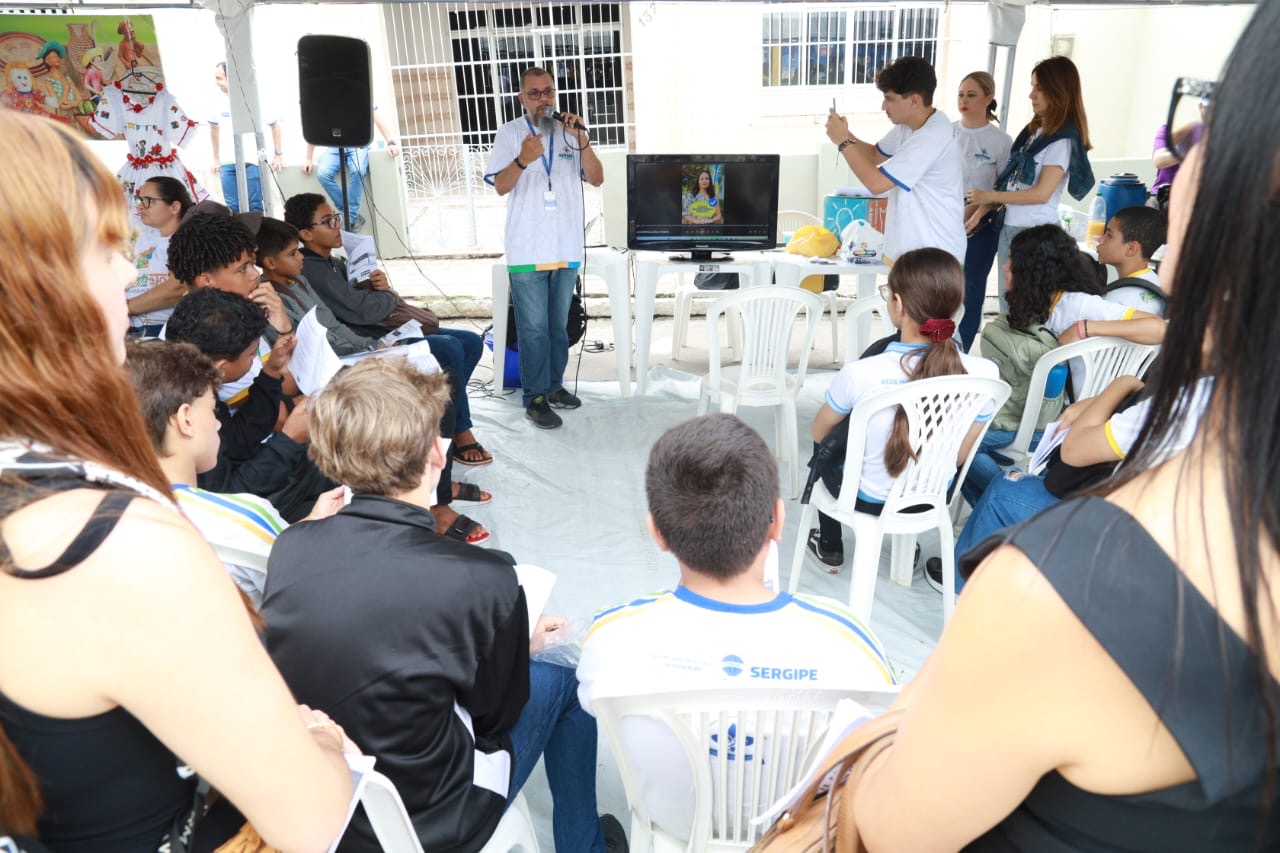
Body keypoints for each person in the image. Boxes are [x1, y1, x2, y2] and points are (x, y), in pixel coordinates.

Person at [841, 5, 1280, 847]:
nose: (1172, 158)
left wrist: (893, 718)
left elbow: (888, 826)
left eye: (1199, 131)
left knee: (999, 489)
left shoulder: (1064, 589)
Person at [0, 109, 352, 853]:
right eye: (106, 248)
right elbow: (314, 817)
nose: (131, 274)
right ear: (35, 285)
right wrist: (321, 740)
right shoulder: (113, 542)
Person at [262, 357, 627, 853]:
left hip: (325, 801)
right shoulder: (484, 577)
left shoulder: (290, 546)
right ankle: (585, 845)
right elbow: (494, 718)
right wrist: (514, 644)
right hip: (433, 819)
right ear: (437, 453)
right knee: (563, 674)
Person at [577, 413, 897, 842]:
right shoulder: (851, 643)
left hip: (677, 832)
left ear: (657, 532)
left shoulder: (611, 639)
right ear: (777, 520)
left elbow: (589, 704)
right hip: (799, 838)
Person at [256, 216, 493, 541]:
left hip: (352, 351)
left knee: (445, 363)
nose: (299, 258)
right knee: (440, 368)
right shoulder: (274, 298)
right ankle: (437, 498)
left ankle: (438, 471)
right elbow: (323, 339)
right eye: (292, 253)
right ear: (269, 262)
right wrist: (372, 340)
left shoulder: (303, 280)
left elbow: (335, 324)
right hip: (335, 365)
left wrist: (372, 343)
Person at [804, 248, 999, 573]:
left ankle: (830, 543)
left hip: (866, 499)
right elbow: (959, 457)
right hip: (931, 498)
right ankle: (906, 549)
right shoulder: (986, 375)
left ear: (898, 305)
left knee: (830, 433)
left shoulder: (861, 373)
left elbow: (818, 432)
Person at [123, 339, 344, 608]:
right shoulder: (241, 520)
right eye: (211, 409)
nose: (218, 424)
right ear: (185, 420)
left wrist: (304, 525)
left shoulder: (106, 507)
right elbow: (308, 584)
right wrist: (311, 532)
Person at [962, 224, 1164, 505]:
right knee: (963, 438)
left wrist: (1086, 328)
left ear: (1033, 268)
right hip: (1043, 415)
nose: (1006, 266)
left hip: (1062, 424)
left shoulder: (1078, 305)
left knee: (958, 440)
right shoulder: (1038, 303)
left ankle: (1018, 499)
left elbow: (1159, 328)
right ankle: (1012, 499)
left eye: (1013, 260)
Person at [484, 66, 604, 429]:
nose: (542, 99)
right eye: (534, 93)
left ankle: (554, 386)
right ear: (522, 98)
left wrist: (583, 140)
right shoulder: (509, 134)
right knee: (533, 329)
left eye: (548, 91)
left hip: (565, 246)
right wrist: (523, 159)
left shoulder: (570, 133)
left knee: (558, 327)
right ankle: (534, 398)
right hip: (527, 248)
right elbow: (500, 186)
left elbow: (597, 178)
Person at [966, 55, 1096, 296]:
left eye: (1039, 88)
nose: (1031, 95)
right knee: (1008, 302)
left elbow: (1041, 193)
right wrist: (982, 210)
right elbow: (1011, 184)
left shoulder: (1062, 139)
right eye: (1032, 87)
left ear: (1058, 91)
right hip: (1011, 229)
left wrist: (989, 196)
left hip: (1035, 235)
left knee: (1026, 304)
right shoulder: (1033, 133)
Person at [825, 55, 965, 266]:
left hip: (935, 257)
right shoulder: (908, 125)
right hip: (911, 252)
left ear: (914, 100)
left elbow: (876, 184)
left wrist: (843, 141)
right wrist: (845, 133)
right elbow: (873, 155)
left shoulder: (932, 135)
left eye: (889, 99)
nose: (884, 106)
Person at [954, 71, 1012, 351]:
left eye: (971, 95)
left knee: (971, 289)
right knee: (939, 284)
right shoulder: (947, 133)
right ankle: (933, 347)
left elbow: (1004, 189)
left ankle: (961, 349)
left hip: (981, 225)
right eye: (960, 95)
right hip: (944, 219)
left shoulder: (1000, 141)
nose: (963, 101)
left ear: (988, 98)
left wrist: (978, 211)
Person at [301, 107, 399, 232]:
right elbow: (314, 129)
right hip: (334, 145)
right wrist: (308, 158)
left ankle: (350, 218)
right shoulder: (324, 102)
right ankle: (352, 216)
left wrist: (390, 142)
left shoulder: (360, 96)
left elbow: (376, 117)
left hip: (358, 142)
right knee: (323, 174)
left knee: (358, 170)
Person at [209, 62, 282, 214]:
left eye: (219, 78)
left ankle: (258, 230)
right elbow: (214, 129)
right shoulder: (216, 102)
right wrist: (216, 158)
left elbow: (275, 125)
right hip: (228, 164)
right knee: (232, 208)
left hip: (252, 161)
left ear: (232, 79)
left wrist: (278, 154)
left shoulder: (254, 99)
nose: (216, 83)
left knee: (254, 205)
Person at [127, 176, 192, 336]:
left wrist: (125, 307)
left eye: (148, 200)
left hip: (162, 329)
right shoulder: (143, 240)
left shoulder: (187, 239)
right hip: (129, 327)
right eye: (139, 200)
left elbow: (177, 287)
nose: (140, 206)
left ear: (174, 207)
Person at [1096, 205, 1167, 315]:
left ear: (1131, 249)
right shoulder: (1159, 284)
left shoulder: (1116, 301)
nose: (1100, 240)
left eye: (1109, 235)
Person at [36, 41, 81, 123]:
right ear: (47, 61)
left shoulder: (67, 77)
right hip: (62, 115)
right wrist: (66, 90)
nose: (57, 58)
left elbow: (79, 98)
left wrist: (71, 104)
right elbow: (58, 104)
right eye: (54, 57)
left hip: (76, 113)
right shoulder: (49, 82)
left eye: (57, 56)